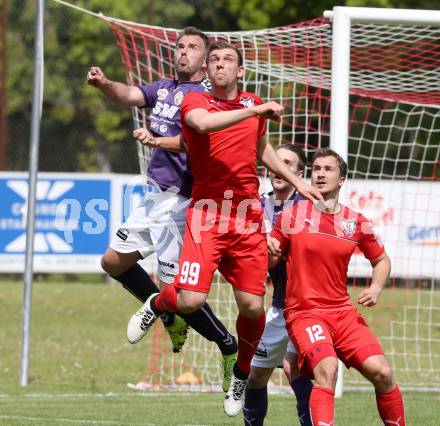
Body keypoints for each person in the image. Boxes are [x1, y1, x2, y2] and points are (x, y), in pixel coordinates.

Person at [128, 41, 323, 417]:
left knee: (252, 307)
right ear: (207, 70)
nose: (219, 64)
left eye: (227, 60)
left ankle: (241, 371)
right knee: (190, 301)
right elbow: (202, 126)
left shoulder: (252, 105)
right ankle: (157, 301)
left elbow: (261, 149)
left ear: (240, 71)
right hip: (206, 215)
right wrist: (255, 110)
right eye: (213, 59)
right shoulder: (196, 103)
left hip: (247, 217)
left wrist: (296, 182)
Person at [87, 28, 239, 392]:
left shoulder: (208, 98)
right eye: (180, 47)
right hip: (153, 198)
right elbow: (129, 94)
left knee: (185, 298)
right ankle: (162, 309)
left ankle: (227, 344)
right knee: (112, 262)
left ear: (206, 60)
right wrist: (105, 83)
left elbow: (197, 142)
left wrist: (156, 140)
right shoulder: (165, 88)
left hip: (184, 203)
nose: (183, 53)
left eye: (192, 48)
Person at [268, 148, 406, 425]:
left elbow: (381, 260)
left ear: (342, 179)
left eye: (328, 169)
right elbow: (270, 262)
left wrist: (376, 287)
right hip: (304, 312)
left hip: (342, 313)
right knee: (327, 370)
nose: (320, 174)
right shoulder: (292, 216)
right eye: (316, 168)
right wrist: (269, 251)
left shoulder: (356, 222)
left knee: (382, 373)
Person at [243, 144, 313, 426]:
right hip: (279, 306)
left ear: (298, 173)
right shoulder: (258, 206)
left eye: (287, 163)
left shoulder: (308, 207)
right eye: (276, 161)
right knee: (256, 374)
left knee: (296, 369)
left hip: (308, 306)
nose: (279, 168)